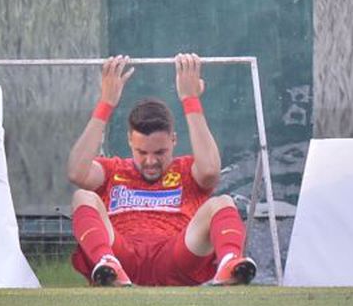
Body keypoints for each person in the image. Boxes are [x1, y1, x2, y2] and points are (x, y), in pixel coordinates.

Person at [67, 53, 257, 287]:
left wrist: (190, 99)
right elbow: (77, 172)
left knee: (223, 202)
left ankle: (230, 265)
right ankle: (106, 263)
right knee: (83, 196)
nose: (150, 161)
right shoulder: (113, 169)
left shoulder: (187, 169)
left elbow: (210, 172)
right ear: (129, 141)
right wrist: (105, 104)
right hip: (122, 257)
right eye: (142, 152)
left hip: (176, 257)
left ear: (174, 140)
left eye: (159, 153)